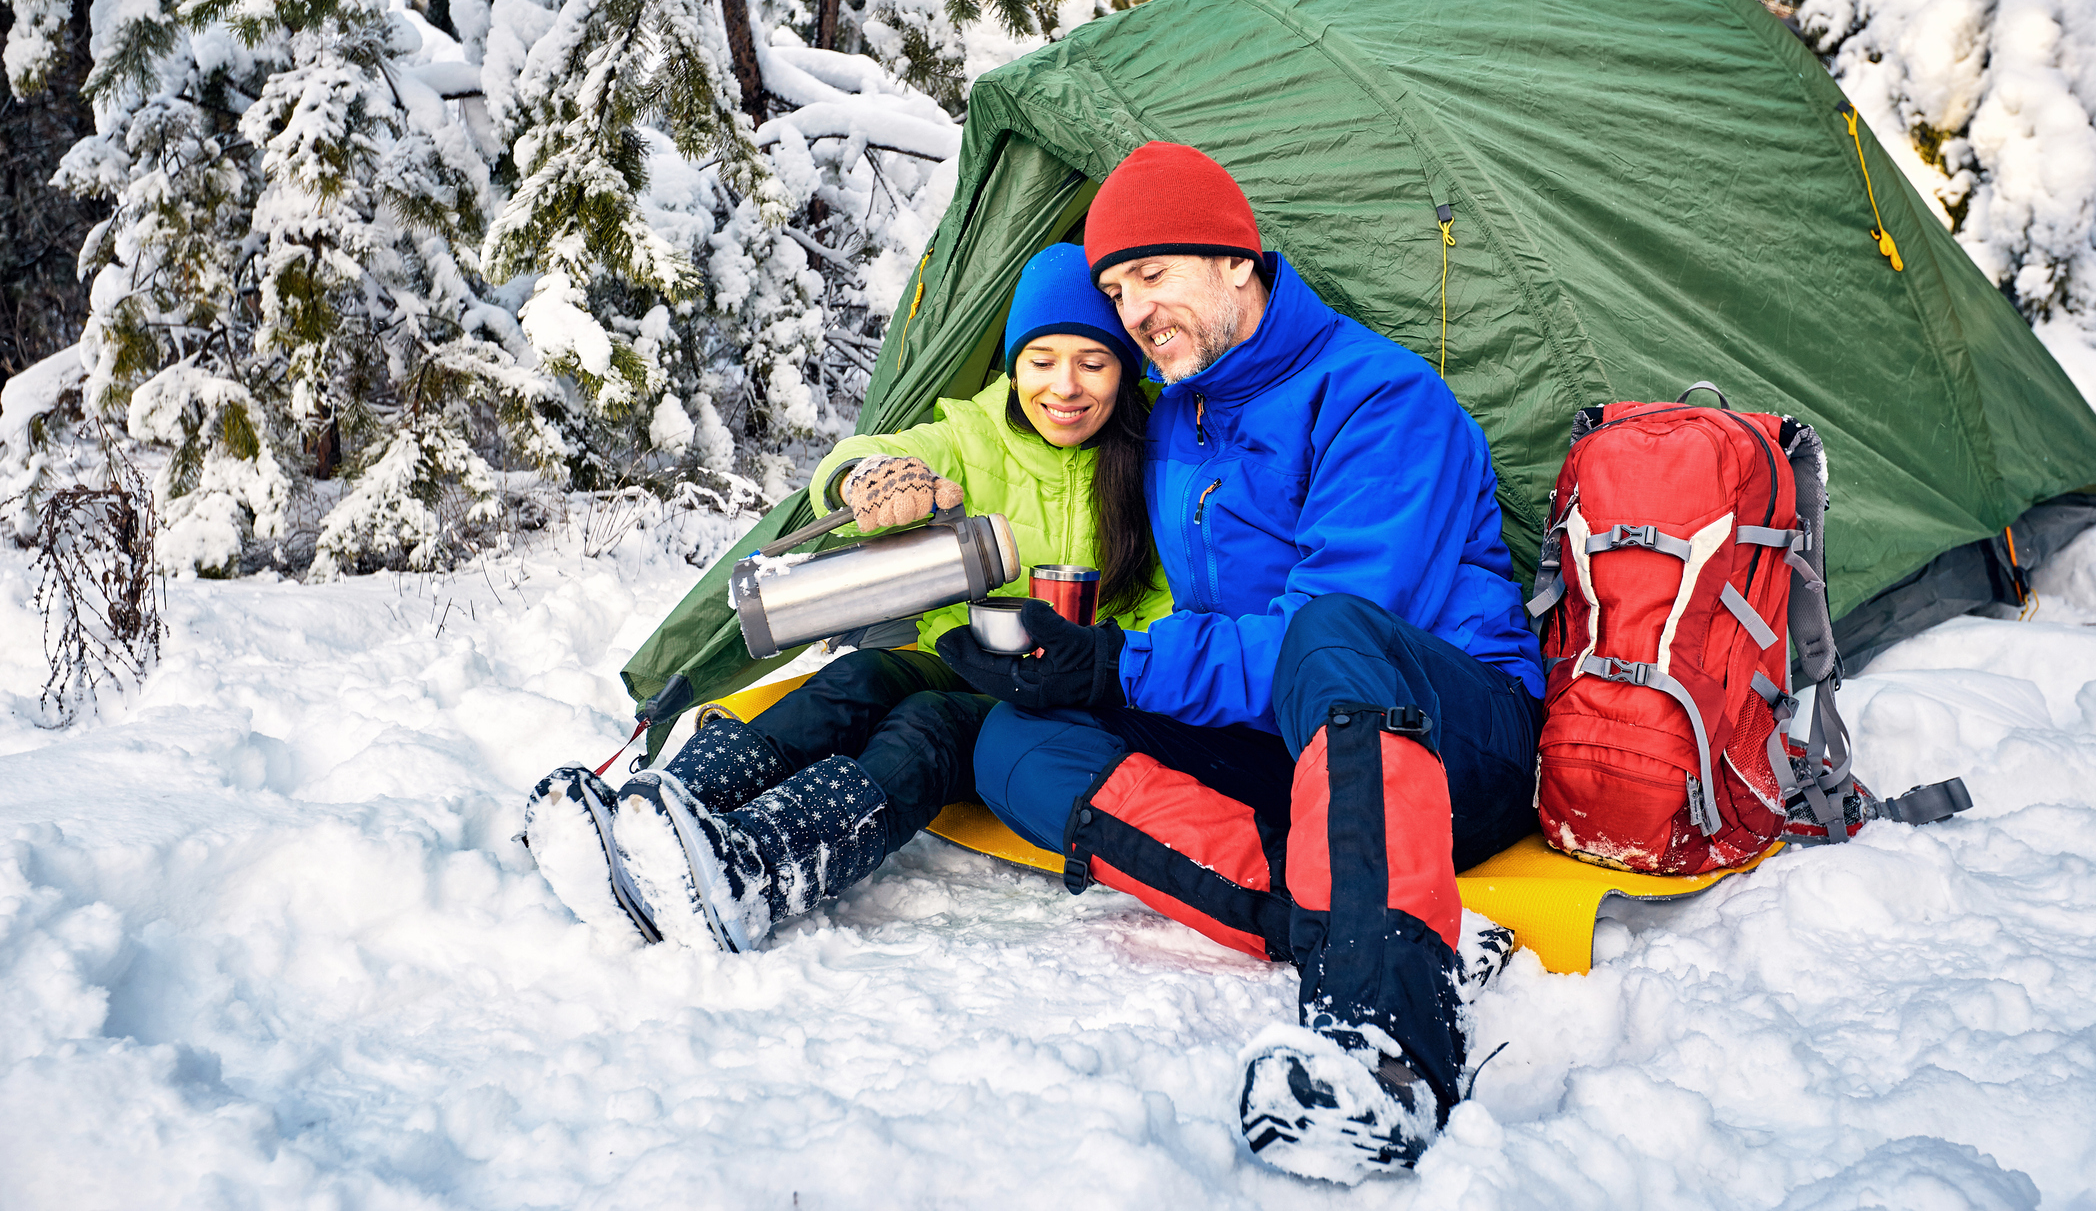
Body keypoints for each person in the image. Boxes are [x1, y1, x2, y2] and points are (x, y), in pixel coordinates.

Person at [938, 144, 1544, 1183]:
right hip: (1290, 741)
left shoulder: (1382, 399)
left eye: (1154, 277)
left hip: (1451, 735)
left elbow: (1319, 631)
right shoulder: (1181, 411)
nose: (1134, 313)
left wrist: (1123, 663)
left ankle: (1387, 1033)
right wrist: (1072, 662)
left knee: (1329, 631)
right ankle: (1318, 913)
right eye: (1119, 290)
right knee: (1017, 737)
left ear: (1234, 261)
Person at [524, 243, 1171, 951]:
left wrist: (1103, 666)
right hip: (961, 655)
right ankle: (659, 813)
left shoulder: (1154, 459)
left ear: (1124, 368)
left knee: (926, 726)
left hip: (1064, 696)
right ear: (1014, 365)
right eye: (1041, 361)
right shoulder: (975, 432)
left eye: (1093, 362)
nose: (1064, 387)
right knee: (857, 676)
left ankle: (756, 868)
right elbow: (858, 454)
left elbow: (1171, 612)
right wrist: (870, 477)